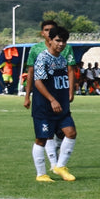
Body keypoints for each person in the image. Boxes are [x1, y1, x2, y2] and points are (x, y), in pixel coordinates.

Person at [28, 25, 77, 181]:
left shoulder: (62, 59)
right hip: (44, 107)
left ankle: (60, 166)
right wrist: (52, 100)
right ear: (50, 40)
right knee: (42, 139)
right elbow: (38, 82)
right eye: (58, 41)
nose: (61, 44)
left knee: (71, 133)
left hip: (61, 107)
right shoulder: (42, 59)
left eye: (64, 41)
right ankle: (41, 174)